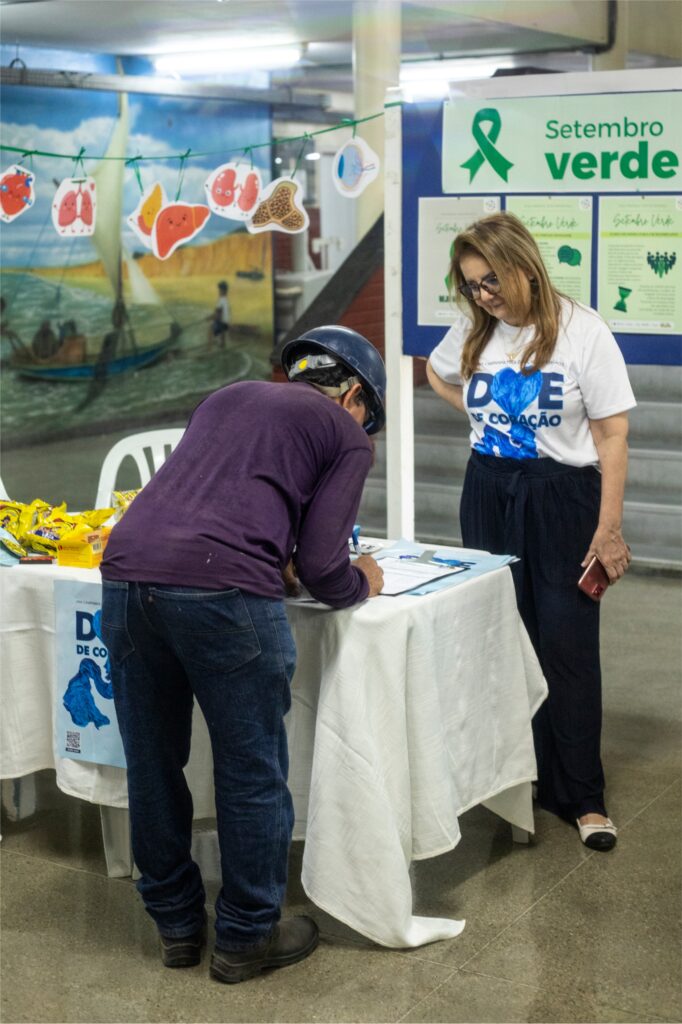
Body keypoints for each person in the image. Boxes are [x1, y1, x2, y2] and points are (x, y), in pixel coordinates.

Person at [99, 325, 385, 982]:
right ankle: (246, 936)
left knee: (152, 762)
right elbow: (322, 567)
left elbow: (222, 500)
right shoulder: (345, 435)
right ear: (357, 401)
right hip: (223, 596)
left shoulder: (227, 397)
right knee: (251, 771)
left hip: (125, 576)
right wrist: (361, 578)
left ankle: (175, 924)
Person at [426, 212, 635, 853]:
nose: (483, 296)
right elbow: (437, 372)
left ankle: (584, 797)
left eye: (491, 281)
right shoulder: (474, 327)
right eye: (470, 286)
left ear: (523, 266)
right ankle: (524, 779)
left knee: (566, 643)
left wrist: (608, 529)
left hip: (561, 497)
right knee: (503, 638)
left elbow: (612, 436)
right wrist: (481, 414)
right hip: (488, 491)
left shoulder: (582, 330)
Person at [207, 279, 231, 349]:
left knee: (210, 329)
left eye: (219, 290)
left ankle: (209, 348)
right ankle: (223, 345)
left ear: (222, 291)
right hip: (227, 323)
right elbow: (225, 313)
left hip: (222, 323)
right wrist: (212, 317)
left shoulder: (220, 300)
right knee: (221, 328)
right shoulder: (226, 300)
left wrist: (209, 318)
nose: (218, 292)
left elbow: (217, 315)